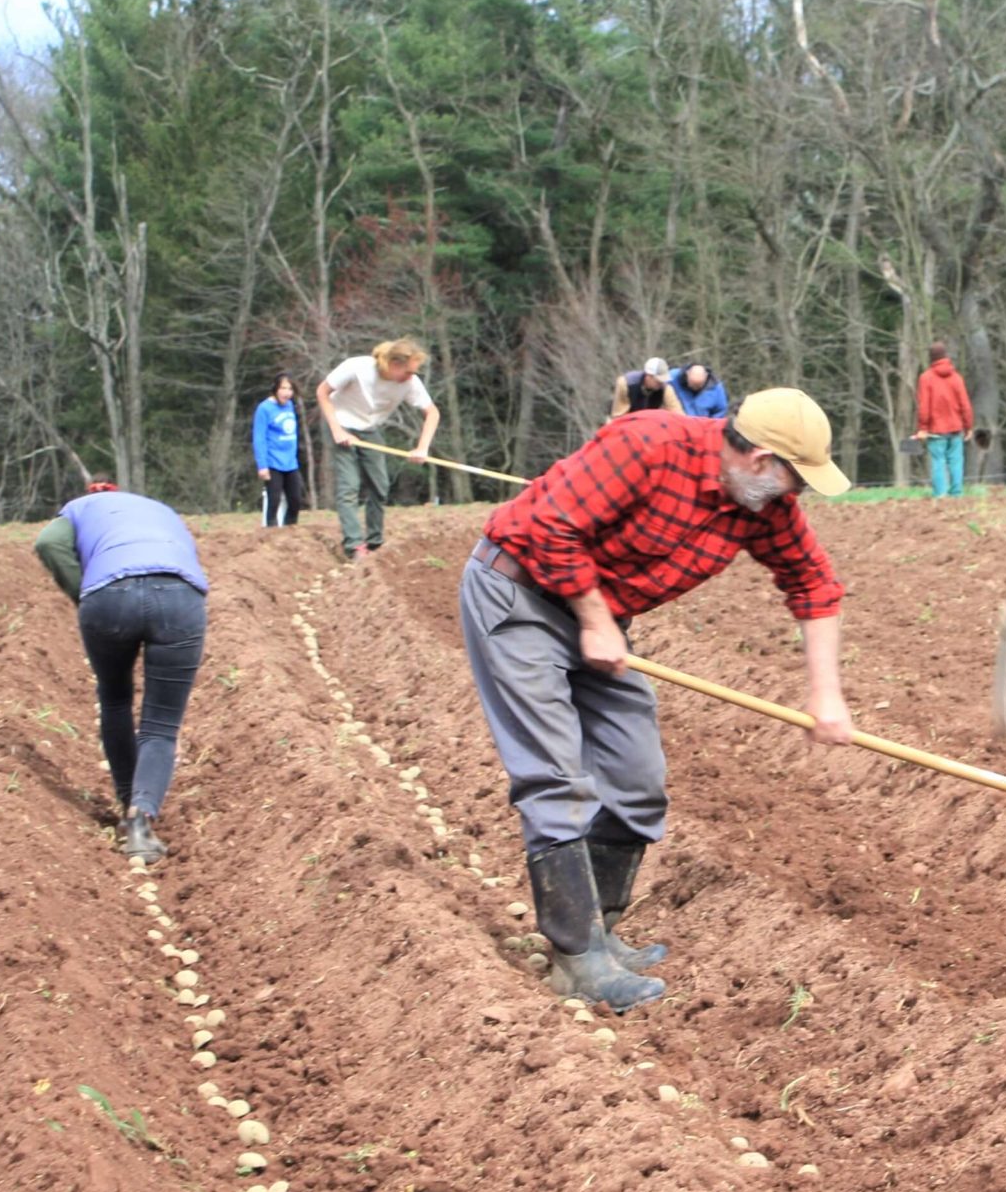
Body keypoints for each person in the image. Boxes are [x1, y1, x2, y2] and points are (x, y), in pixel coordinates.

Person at [459, 389, 854, 1011]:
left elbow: (814, 584)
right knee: (556, 776)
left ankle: (603, 934)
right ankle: (576, 959)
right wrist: (594, 617)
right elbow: (550, 525)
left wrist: (825, 696)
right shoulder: (648, 444)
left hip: (599, 618)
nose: (796, 496)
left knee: (636, 777)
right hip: (519, 593)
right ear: (759, 459)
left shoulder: (761, 508)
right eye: (795, 479)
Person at [34, 485, 210, 864]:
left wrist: (83, 595)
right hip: (180, 596)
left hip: (108, 597)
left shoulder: (78, 508)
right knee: (161, 725)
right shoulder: (160, 507)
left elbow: (48, 542)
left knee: (115, 699)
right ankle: (141, 821)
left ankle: (128, 800)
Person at [316, 339, 439, 559]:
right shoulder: (356, 368)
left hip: (369, 429)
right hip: (340, 423)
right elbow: (322, 392)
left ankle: (374, 543)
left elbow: (432, 413)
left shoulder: (410, 383)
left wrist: (422, 448)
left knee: (380, 486)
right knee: (349, 487)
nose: (411, 376)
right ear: (393, 364)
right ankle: (353, 546)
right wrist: (337, 430)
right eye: (408, 371)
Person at [912, 342, 975, 497]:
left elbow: (924, 406)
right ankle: (956, 494)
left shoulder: (925, 378)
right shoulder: (956, 378)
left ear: (931, 358)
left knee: (938, 462)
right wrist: (968, 427)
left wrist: (922, 428)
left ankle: (940, 495)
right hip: (956, 428)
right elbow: (965, 405)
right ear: (946, 356)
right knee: (956, 462)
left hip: (935, 430)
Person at [253, 373, 305, 526]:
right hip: (273, 462)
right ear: (275, 389)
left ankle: (291, 530)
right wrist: (262, 465)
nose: (287, 392)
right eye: (283, 388)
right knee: (274, 500)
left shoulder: (290, 406)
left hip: (290, 462)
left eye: (290, 389)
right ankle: (271, 532)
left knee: (295, 500)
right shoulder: (264, 409)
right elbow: (259, 438)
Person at [611, 357, 685, 419]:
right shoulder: (626, 384)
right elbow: (619, 415)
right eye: (658, 381)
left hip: (651, 424)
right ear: (648, 376)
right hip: (629, 422)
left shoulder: (666, 389)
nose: (661, 383)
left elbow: (678, 415)